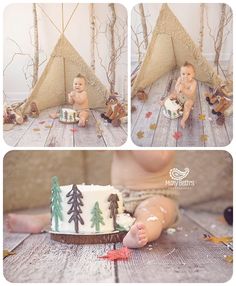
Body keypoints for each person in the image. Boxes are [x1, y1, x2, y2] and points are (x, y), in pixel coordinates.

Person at [6, 151, 179, 249]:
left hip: (156, 195)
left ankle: (142, 233)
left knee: (150, 212)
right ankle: (43, 219)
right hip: (119, 198)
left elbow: (158, 161)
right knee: (88, 212)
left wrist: (130, 146)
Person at [161, 62, 197, 129]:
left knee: (188, 105)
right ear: (180, 73)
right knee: (172, 94)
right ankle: (164, 101)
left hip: (188, 98)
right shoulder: (180, 79)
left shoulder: (193, 83)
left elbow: (191, 93)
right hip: (179, 95)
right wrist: (178, 88)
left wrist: (183, 89)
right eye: (183, 74)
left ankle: (183, 120)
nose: (185, 76)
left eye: (188, 74)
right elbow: (176, 87)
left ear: (193, 75)